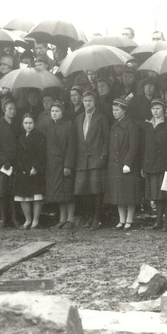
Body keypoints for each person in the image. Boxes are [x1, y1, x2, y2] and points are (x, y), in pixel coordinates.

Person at [104, 98, 142, 230]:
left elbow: (134, 146)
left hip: (127, 165)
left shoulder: (131, 125)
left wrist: (128, 163)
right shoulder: (114, 125)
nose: (114, 112)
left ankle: (129, 219)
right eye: (113, 110)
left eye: (117, 110)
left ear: (124, 111)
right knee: (118, 193)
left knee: (129, 194)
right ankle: (121, 219)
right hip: (115, 164)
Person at [74, 89, 109, 229]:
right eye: (85, 101)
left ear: (95, 102)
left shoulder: (101, 118)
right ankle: (89, 216)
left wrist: (102, 157)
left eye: (90, 101)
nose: (87, 104)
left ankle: (97, 218)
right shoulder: (78, 118)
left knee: (96, 190)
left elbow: (106, 140)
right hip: (82, 160)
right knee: (82, 191)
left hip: (96, 159)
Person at [141, 98, 167, 230]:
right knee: (156, 195)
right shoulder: (148, 125)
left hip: (164, 165)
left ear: (164, 110)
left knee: (165, 194)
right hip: (151, 165)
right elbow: (145, 147)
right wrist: (144, 165)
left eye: (158, 108)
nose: (155, 111)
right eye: (153, 109)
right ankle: (158, 221)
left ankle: (166, 222)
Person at [43, 101, 77, 228]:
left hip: (64, 163)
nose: (54, 113)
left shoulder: (69, 126)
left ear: (62, 112)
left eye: (57, 111)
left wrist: (68, 165)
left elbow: (71, 147)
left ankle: (70, 219)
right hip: (53, 164)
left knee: (67, 191)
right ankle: (62, 219)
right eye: (52, 111)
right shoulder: (49, 125)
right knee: (59, 193)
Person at [0, 98, 20, 228]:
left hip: (14, 163)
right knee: (1, 192)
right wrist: (4, 160)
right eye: (10, 109)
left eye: (14, 109)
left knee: (13, 191)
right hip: (1, 164)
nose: (12, 111)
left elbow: (20, 143)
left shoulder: (18, 124)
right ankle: (3, 218)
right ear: (4, 110)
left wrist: (13, 160)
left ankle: (14, 218)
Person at [13, 113, 46, 229]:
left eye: (30, 123)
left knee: (36, 197)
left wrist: (36, 167)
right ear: (23, 124)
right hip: (22, 169)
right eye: (26, 123)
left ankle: (35, 221)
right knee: (23, 197)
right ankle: (28, 220)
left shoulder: (39, 136)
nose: (28, 125)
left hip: (34, 169)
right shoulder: (20, 137)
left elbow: (42, 154)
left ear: (34, 124)